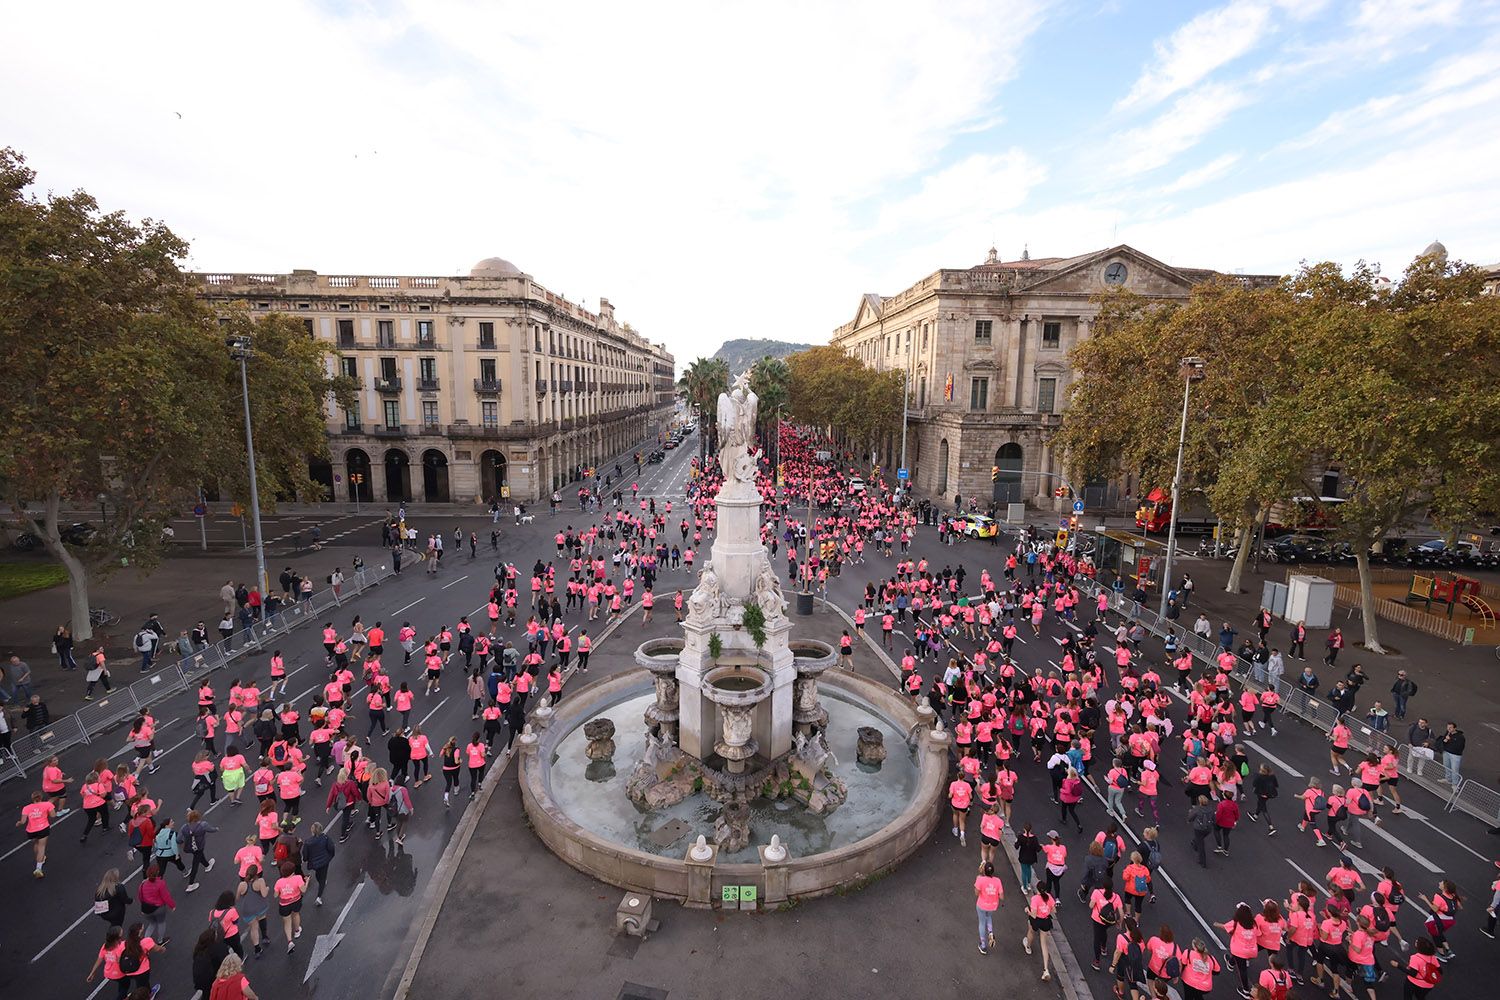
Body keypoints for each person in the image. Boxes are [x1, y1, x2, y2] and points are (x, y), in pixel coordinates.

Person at [1022, 885, 1057, 982]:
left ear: (1037, 890)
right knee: (1044, 944)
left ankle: (1028, 946)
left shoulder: (1035, 899)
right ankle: (1046, 969)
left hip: (1036, 920)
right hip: (1046, 921)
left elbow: (1033, 914)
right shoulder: (1049, 897)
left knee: (1031, 931)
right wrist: (1047, 910)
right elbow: (1054, 910)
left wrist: (1027, 911)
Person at [17, 789, 54, 877]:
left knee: (36, 844)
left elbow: (23, 821)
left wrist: (19, 823)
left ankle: (40, 858)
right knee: (42, 847)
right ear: (41, 797)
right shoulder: (48, 804)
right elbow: (53, 815)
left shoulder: (26, 808)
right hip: (43, 828)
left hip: (31, 830)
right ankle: (38, 868)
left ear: (32, 798)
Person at [974, 860, 1004, 954]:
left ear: (984, 871)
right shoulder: (998, 881)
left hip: (982, 905)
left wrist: (977, 881)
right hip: (993, 905)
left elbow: (976, 893)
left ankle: (983, 945)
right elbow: (1002, 896)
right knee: (989, 917)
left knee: (982, 923)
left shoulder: (980, 879)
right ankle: (990, 932)